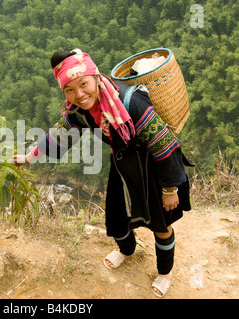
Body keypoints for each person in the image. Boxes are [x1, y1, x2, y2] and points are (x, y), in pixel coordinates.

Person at [13, 49, 192, 297]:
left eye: (83, 84)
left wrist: (170, 189)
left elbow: (163, 144)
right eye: (70, 89)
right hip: (123, 166)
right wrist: (28, 157)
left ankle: (164, 272)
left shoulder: (130, 102)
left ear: (96, 77)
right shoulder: (81, 111)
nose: (79, 94)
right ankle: (126, 250)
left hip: (154, 167)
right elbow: (59, 137)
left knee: (161, 224)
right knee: (117, 221)